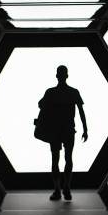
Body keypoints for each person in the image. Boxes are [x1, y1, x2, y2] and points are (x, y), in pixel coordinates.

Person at [38, 65, 87, 201]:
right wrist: (85, 129)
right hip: (69, 130)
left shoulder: (50, 92)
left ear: (57, 76)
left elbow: (41, 105)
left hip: (55, 130)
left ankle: (57, 190)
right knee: (68, 158)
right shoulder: (73, 92)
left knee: (55, 159)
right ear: (67, 75)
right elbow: (81, 112)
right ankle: (66, 188)